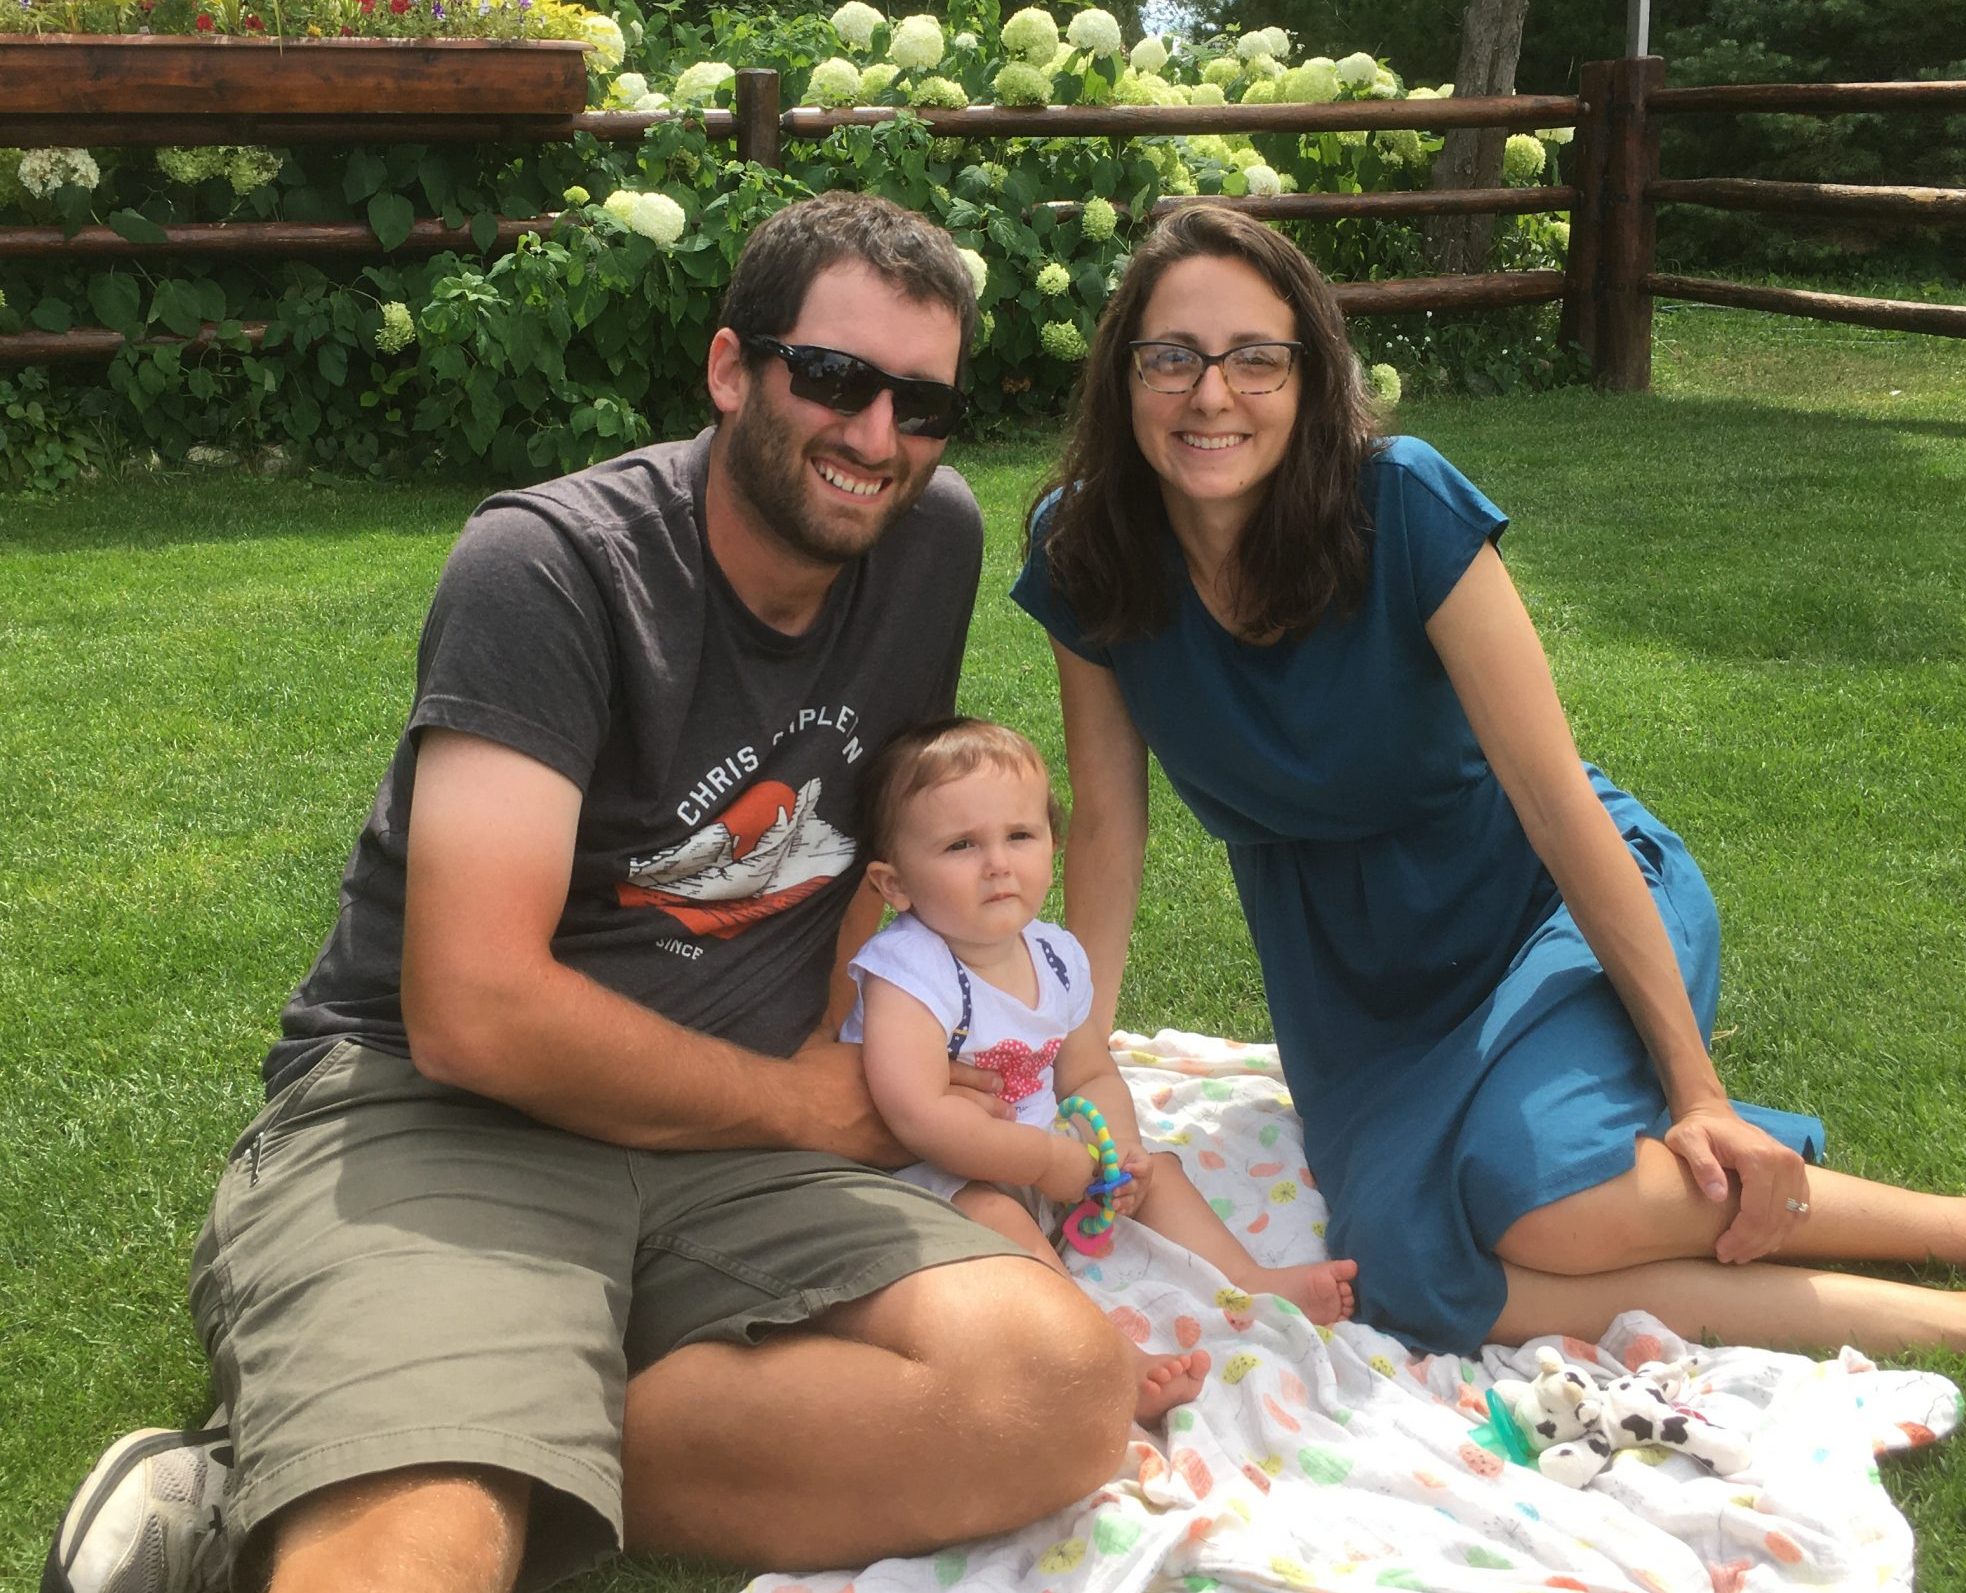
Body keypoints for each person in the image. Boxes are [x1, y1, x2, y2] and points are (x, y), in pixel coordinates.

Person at [44, 191, 1142, 1593]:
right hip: (453, 1114)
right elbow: (474, 1011)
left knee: (1053, 1387)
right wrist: (805, 1100)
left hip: (740, 1153)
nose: (877, 438)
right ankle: (398, 1455)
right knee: (418, 1548)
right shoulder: (553, 567)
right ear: (732, 368)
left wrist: (855, 1029)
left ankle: (374, 1440)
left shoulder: (926, 544)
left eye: (921, 406)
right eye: (834, 379)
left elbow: (875, 821)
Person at [1011, 204, 1966, 1360]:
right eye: (1171, 357)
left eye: (1256, 358)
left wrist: (1698, 1092)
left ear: (1311, 376)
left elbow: (1555, 803)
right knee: (1410, 1270)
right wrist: (1085, 1059)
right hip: (1349, 978)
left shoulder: (1402, 505)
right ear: (1122, 378)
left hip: (1538, 904)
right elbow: (1111, 821)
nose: (1211, 395)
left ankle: (1954, 1237)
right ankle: (1953, 1317)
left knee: (1542, 1202)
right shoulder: (1087, 547)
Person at [840, 717, 1360, 1422]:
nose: (997, 862)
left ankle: (1252, 1279)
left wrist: (1115, 1153)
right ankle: (1101, 1355)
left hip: (1049, 1161)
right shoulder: (909, 970)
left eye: (1018, 835)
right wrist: (1045, 1161)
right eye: (961, 845)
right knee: (998, 1221)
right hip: (943, 1180)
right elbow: (917, 1114)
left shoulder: (1053, 956)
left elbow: (1086, 1070)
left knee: (1162, 1173)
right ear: (893, 883)